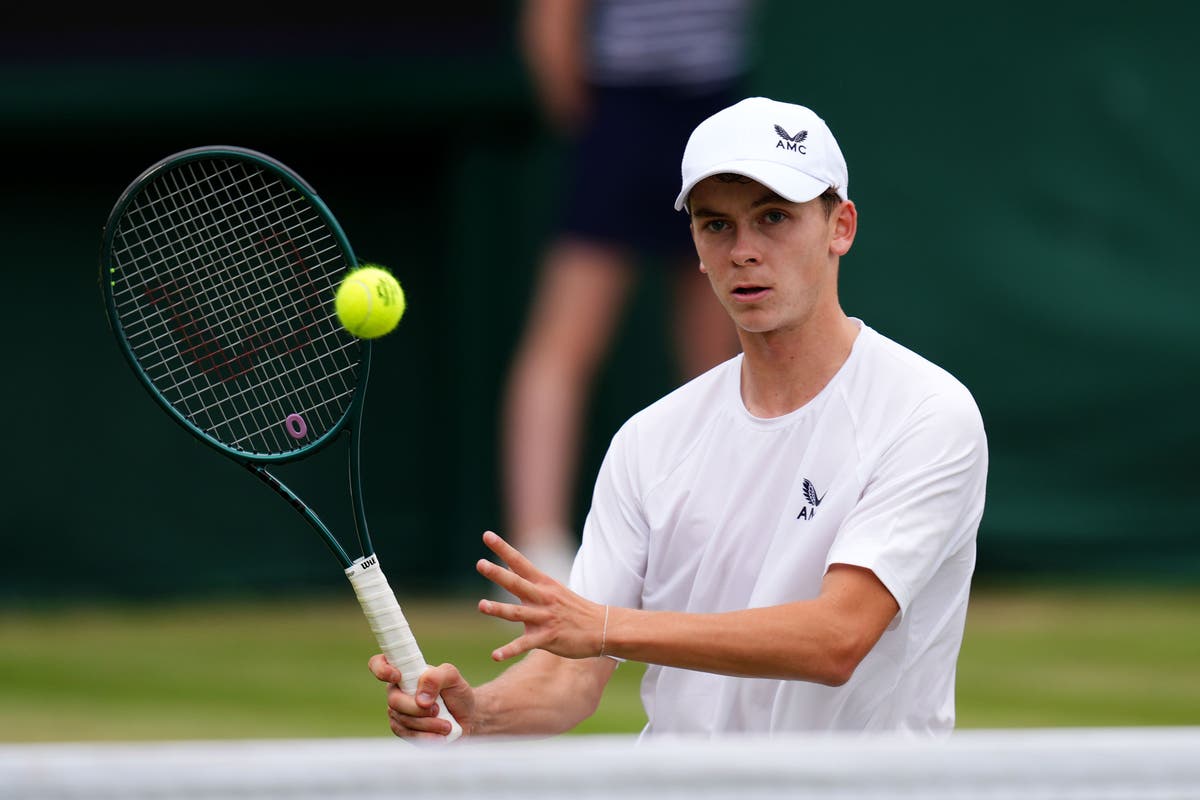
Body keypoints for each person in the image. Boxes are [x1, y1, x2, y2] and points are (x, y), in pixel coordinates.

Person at [371, 97, 989, 740]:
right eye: (716, 225)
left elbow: (836, 639)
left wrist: (607, 626)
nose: (744, 250)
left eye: (774, 217)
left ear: (841, 226)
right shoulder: (649, 441)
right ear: (694, 244)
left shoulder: (926, 413)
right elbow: (571, 678)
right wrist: (476, 712)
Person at [501, 0, 752, 582]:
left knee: (721, 357)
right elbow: (550, 23)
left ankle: (724, 546)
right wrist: (600, 133)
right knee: (563, 344)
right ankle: (537, 553)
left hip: (717, 103)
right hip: (621, 107)